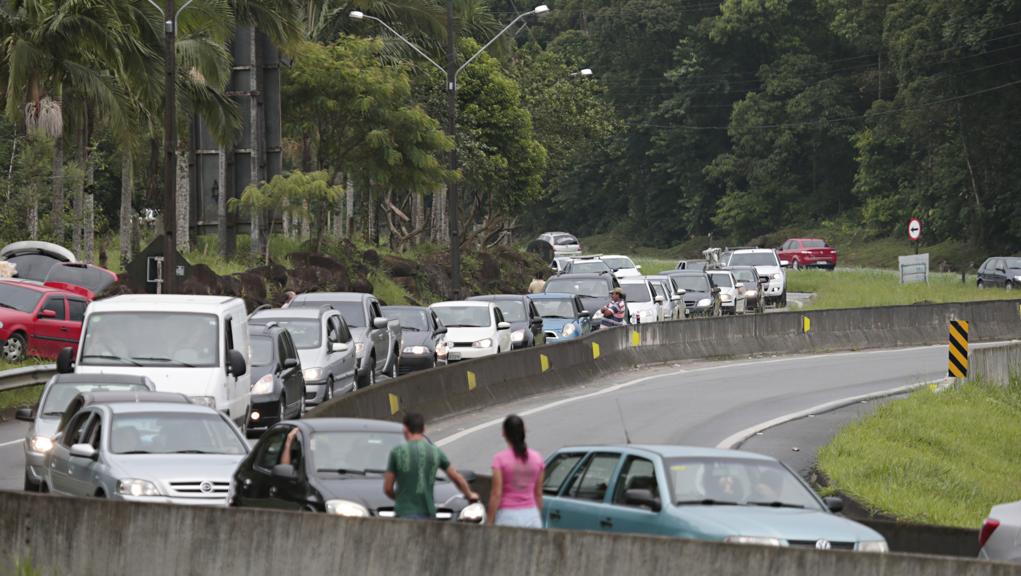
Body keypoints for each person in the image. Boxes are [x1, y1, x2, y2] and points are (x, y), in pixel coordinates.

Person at [384, 412, 479, 519]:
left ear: (405, 429)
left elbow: (388, 488)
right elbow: (456, 477)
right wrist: (470, 494)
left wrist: (401, 500)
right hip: (427, 513)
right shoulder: (435, 452)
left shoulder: (397, 452)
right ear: (424, 429)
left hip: (403, 513)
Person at [487, 415, 545, 528]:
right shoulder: (538, 458)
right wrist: (537, 515)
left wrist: (489, 521)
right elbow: (538, 493)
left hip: (507, 516)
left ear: (503, 433)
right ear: (524, 431)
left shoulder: (499, 459)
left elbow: (496, 493)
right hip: (532, 516)